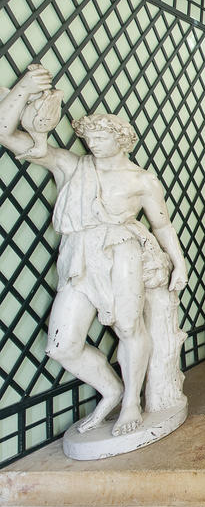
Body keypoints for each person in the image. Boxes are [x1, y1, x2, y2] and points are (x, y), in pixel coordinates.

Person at [0, 64, 189, 436]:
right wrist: (23, 88)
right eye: (89, 136)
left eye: (101, 135)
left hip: (121, 251)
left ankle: (132, 399)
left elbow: (162, 224)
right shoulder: (71, 166)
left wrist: (179, 264)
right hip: (78, 254)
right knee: (61, 344)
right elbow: (6, 133)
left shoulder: (141, 179)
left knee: (129, 325)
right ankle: (111, 390)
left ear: (122, 139)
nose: (92, 142)